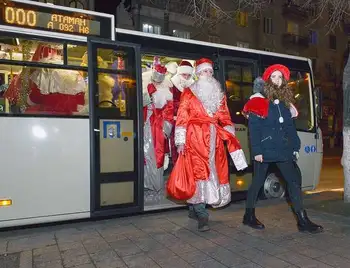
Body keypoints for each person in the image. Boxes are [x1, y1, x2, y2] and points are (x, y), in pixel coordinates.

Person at [242, 64, 323, 234]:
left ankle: (302, 220)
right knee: (257, 183)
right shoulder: (258, 101)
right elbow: (254, 128)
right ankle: (249, 215)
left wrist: (295, 146)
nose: (277, 80)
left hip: (283, 149)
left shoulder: (285, 102)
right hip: (265, 149)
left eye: (280, 77)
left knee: (293, 182)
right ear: (267, 79)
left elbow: (289, 127)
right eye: (274, 77)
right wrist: (256, 151)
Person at [169, 58, 248, 231]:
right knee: (198, 173)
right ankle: (202, 215)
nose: (209, 75)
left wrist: (229, 133)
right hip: (194, 138)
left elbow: (225, 117)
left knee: (213, 172)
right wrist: (180, 141)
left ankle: (194, 208)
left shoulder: (219, 93)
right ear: (198, 74)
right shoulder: (189, 93)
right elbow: (182, 117)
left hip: (214, 140)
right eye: (205, 71)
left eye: (211, 72)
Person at [143, 64, 174, 194]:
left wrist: (165, 128)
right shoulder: (144, 85)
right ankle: (145, 182)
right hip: (146, 123)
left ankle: (155, 183)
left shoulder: (167, 91)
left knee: (158, 155)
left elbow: (169, 111)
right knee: (145, 154)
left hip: (159, 126)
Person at [170, 60, 194, 165]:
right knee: (176, 149)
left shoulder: (193, 87)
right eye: (184, 74)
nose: (186, 77)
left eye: (189, 75)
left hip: (190, 123)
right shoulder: (171, 84)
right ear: (179, 73)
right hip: (175, 122)